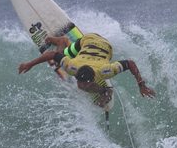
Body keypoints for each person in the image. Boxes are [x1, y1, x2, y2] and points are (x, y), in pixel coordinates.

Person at [18, 33, 156, 106]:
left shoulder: (105, 71)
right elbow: (52, 54)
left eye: (86, 83)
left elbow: (130, 63)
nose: (81, 85)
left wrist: (141, 85)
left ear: (94, 79)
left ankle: (105, 91)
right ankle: (61, 41)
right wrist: (30, 64)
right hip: (87, 40)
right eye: (80, 81)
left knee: (63, 61)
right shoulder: (72, 67)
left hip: (106, 46)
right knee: (59, 60)